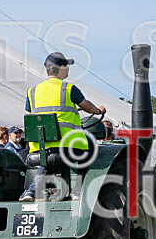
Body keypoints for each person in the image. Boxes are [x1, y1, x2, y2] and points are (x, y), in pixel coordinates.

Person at [20, 52, 106, 202]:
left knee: (47, 160)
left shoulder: (32, 91)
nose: (68, 69)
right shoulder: (68, 88)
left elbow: (29, 116)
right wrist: (98, 111)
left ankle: (30, 192)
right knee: (90, 146)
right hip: (67, 146)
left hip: (40, 148)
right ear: (61, 68)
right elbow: (87, 106)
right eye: (67, 66)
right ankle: (77, 190)